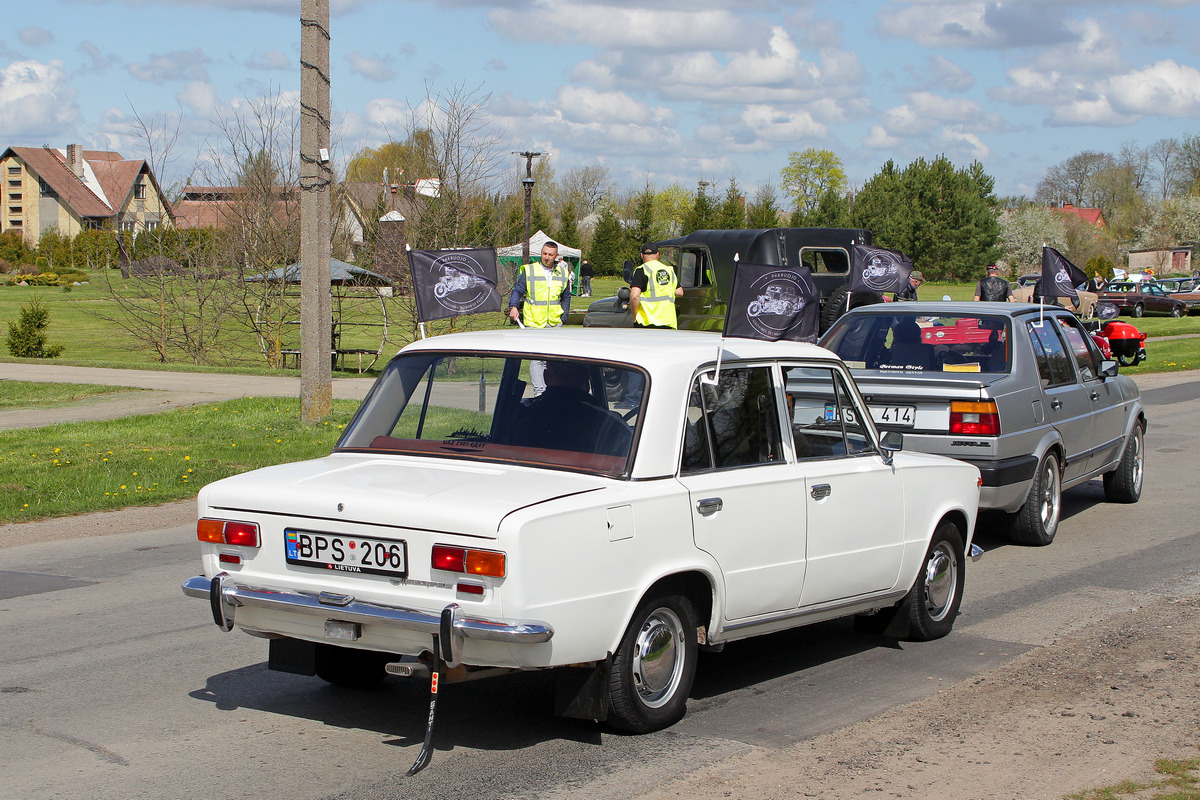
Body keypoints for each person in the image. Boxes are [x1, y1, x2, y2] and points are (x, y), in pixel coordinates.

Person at [507, 240, 571, 395]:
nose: (546, 257)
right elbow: (518, 290)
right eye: (544, 254)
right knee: (536, 359)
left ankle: (552, 392)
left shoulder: (563, 273)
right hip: (534, 322)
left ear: (556, 256)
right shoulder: (529, 270)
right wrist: (513, 306)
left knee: (552, 360)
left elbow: (566, 297)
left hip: (554, 322)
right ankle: (539, 392)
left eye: (550, 254)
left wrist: (564, 318)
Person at [629, 244, 684, 328]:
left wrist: (634, 315)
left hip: (647, 321)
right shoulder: (669, 270)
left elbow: (634, 296)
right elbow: (679, 292)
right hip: (668, 321)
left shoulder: (641, 270)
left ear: (641, 255)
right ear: (657, 254)